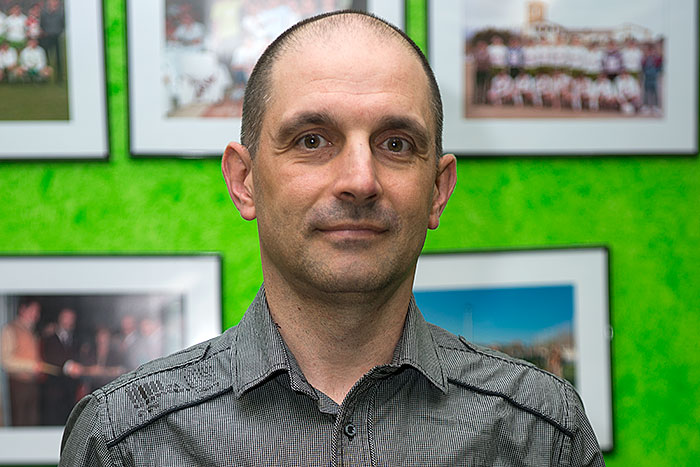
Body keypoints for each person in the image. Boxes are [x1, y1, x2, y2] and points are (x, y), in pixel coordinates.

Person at [59, 11, 605, 466]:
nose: (360, 181)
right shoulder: (124, 441)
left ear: (438, 191)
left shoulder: (541, 434)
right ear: (244, 182)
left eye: (395, 144)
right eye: (312, 140)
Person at [0, 300, 43, 426]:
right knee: (19, 423)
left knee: (32, 422)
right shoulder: (10, 329)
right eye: (33, 310)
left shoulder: (31, 331)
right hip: (18, 383)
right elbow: (5, 360)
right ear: (22, 309)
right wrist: (31, 366)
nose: (36, 315)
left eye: (37, 311)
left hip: (32, 383)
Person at [41, 308, 83, 426]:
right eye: (66, 318)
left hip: (70, 389)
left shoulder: (76, 339)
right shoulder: (48, 337)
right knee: (53, 421)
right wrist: (67, 366)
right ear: (60, 319)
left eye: (72, 318)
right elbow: (48, 357)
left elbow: (79, 359)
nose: (69, 321)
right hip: (54, 389)